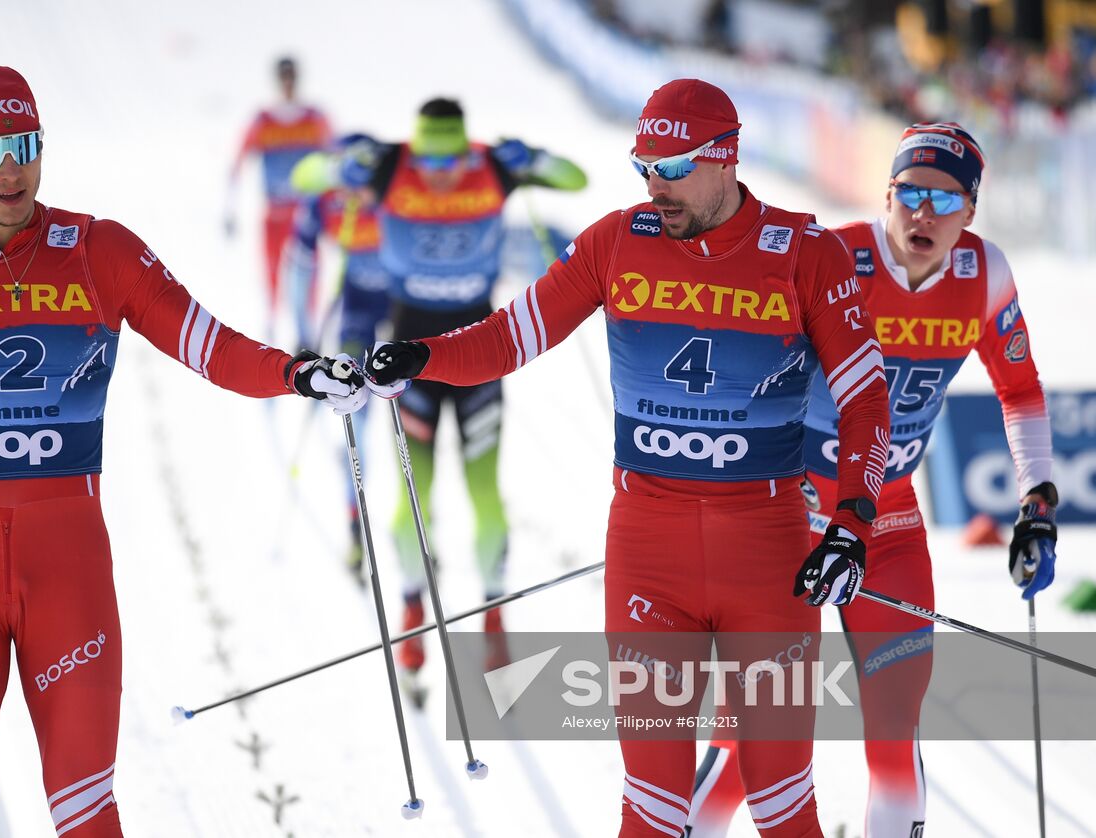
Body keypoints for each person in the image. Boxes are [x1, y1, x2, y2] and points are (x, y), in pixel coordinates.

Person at [0, 65, 364, 838]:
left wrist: (300, 373)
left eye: (25, 143)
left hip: (68, 572)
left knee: (86, 812)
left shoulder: (98, 250)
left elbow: (211, 347)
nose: (11, 167)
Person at [362, 78, 892, 837]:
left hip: (769, 554)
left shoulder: (808, 253)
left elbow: (866, 399)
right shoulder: (618, 240)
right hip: (650, 550)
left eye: (673, 168)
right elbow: (512, 335)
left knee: (783, 811)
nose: (656, 186)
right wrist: (420, 356)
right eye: (644, 165)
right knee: (650, 812)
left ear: (726, 157)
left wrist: (852, 524)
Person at [685, 122, 1058, 838]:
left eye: (946, 201)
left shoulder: (986, 277)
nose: (925, 213)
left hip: (886, 517)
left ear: (971, 213)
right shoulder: (835, 257)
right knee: (751, 735)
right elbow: (734, 356)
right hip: (788, 516)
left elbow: (1019, 389)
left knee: (894, 729)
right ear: (887, 193)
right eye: (911, 193)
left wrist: (1035, 502)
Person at [304, 97, 588, 676]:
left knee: (485, 493)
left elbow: (574, 179)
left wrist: (534, 157)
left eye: (451, 164)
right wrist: (342, 167)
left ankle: (492, 613)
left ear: (465, 147)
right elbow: (307, 176)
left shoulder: (492, 164)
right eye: (430, 166)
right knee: (416, 498)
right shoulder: (388, 163)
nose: (439, 176)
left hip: (479, 354)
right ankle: (413, 606)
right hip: (409, 356)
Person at [287, 134, 394, 576]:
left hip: (403, 310)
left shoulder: (395, 192)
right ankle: (356, 527)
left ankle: (425, 529)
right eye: (350, 179)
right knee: (357, 414)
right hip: (355, 315)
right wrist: (303, 331)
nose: (358, 193)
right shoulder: (329, 202)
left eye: (366, 181)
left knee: (419, 418)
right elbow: (301, 265)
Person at [224, 56, 332, 340]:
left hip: (306, 213)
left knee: (309, 270)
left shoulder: (314, 118)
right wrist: (229, 209)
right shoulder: (263, 120)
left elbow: (335, 159)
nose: (288, 84)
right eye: (284, 78)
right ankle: (271, 323)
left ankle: (307, 328)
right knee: (271, 269)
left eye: (291, 77)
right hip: (274, 211)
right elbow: (237, 162)